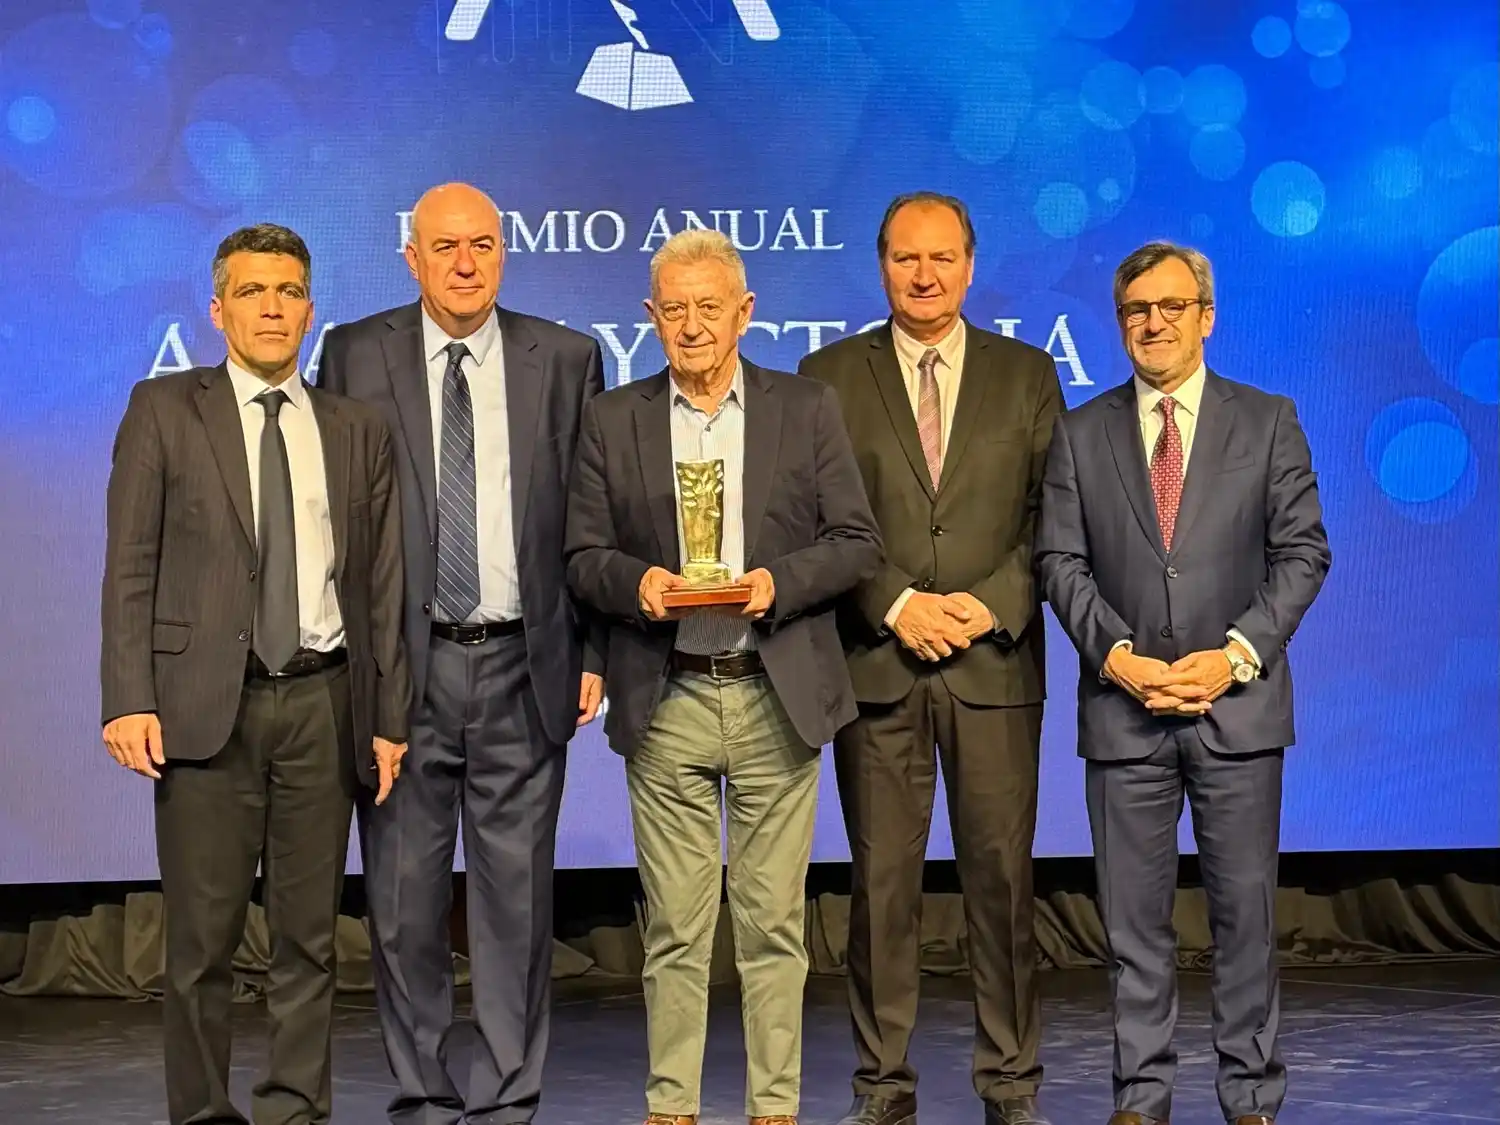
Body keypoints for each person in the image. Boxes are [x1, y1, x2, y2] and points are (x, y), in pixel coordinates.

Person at [564, 229, 882, 1125]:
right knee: (674, 926)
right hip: (666, 693)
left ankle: (773, 1107)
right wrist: (640, 584)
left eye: (711, 306)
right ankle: (673, 1107)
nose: (693, 325)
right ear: (650, 318)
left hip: (774, 686)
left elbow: (857, 542)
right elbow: (582, 555)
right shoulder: (612, 417)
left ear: (745, 312)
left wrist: (780, 583)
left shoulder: (805, 407)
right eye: (675, 308)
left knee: (774, 926)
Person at [100, 223, 411, 1125]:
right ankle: (200, 1113)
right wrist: (129, 696)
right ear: (218, 310)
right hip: (206, 709)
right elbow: (130, 564)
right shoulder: (164, 410)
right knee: (200, 944)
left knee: (310, 940)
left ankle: (293, 1109)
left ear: (310, 310)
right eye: (251, 292)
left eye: (287, 293)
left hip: (324, 701)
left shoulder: (357, 429)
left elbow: (382, 586)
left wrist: (387, 716)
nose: (272, 308)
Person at [318, 183, 605, 1125]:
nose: (467, 263)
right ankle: (424, 1094)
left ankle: (508, 1097)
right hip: (405, 671)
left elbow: (592, 520)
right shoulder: (354, 354)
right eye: (446, 247)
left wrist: (593, 647)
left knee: (516, 903)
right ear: (411, 256)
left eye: (483, 244)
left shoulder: (565, 358)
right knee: (402, 905)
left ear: (505, 251)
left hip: (526, 661)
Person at [1034, 241, 1332, 1125]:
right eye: (1135, 310)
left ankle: (1249, 1094)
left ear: (1207, 315)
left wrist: (1236, 652)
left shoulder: (1267, 420)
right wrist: (1119, 658)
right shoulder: (1080, 433)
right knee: (1133, 929)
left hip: (1236, 709)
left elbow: (1304, 552)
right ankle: (1142, 1095)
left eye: (1170, 307)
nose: (1152, 324)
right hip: (1124, 715)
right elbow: (1059, 559)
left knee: (1246, 920)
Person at [798, 192, 1063, 1125]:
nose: (925, 274)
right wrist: (898, 602)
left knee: (1003, 885)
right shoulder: (825, 375)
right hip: (879, 667)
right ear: (881, 266)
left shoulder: (1028, 374)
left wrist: (985, 606)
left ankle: (1012, 1082)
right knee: (879, 892)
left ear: (970, 264)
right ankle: (882, 1084)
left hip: (994, 670)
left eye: (942, 257)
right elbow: (822, 524)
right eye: (907, 258)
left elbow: (1050, 522)